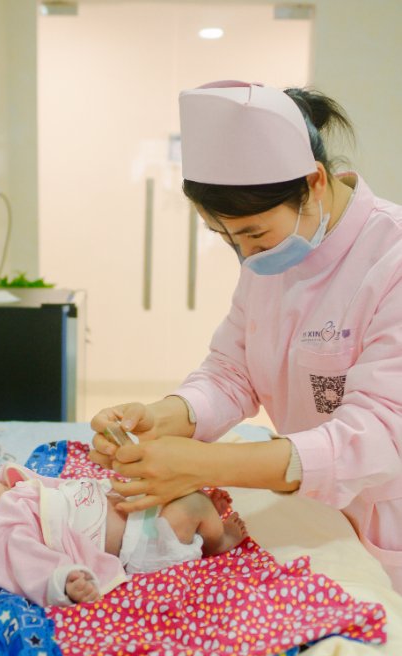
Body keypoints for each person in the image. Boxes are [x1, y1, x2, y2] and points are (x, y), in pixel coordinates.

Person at [90, 79, 402, 594]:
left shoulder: (390, 260)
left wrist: (201, 464)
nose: (246, 254)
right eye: (227, 238)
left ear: (314, 181)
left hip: (383, 519)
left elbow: (380, 436)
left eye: (254, 234)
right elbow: (233, 372)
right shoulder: (275, 255)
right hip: (314, 513)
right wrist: (162, 418)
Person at [0, 455, 245, 607]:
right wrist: (64, 582)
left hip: (134, 514)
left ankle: (200, 519)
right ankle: (217, 541)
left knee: (175, 481)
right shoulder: (5, 534)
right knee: (192, 503)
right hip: (142, 543)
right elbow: (31, 569)